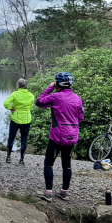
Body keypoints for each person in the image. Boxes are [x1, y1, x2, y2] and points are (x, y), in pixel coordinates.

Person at [34, 72, 84, 201]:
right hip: (72, 136)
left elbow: (38, 102)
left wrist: (50, 87)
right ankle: (64, 192)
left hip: (57, 136)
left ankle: (49, 193)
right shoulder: (77, 98)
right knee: (67, 164)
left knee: (48, 163)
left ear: (58, 83)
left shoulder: (55, 96)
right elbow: (81, 117)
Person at [3, 78, 35, 165]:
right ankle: (21, 160)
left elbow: (6, 103)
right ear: (26, 86)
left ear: (18, 85)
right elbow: (31, 107)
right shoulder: (31, 95)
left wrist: (11, 108)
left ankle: (8, 157)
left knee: (11, 138)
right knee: (24, 140)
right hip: (26, 120)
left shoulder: (15, 94)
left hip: (15, 119)